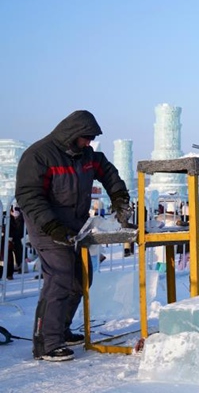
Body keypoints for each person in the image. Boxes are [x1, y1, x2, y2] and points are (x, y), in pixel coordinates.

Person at [15, 110, 130, 362]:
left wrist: (119, 196)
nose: (89, 143)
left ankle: (61, 329)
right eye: (85, 138)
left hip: (77, 227)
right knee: (60, 277)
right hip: (47, 227)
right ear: (72, 134)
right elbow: (28, 196)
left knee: (81, 279)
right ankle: (46, 341)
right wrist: (52, 226)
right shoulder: (39, 155)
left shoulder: (87, 156)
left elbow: (109, 173)